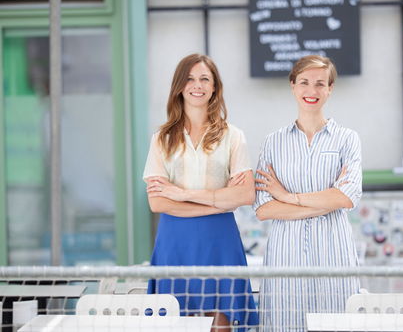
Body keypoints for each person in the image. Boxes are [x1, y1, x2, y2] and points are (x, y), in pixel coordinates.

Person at [143, 53, 258, 332]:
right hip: (176, 241)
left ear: (215, 86)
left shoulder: (233, 136)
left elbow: (245, 196)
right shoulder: (162, 138)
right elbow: (157, 202)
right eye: (190, 79)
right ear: (180, 86)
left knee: (222, 323)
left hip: (219, 241)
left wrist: (181, 195)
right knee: (178, 323)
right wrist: (219, 202)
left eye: (205, 78)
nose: (198, 85)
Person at [253, 55, 362, 331]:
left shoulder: (347, 139)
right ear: (292, 86)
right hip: (284, 258)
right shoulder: (273, 142)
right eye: (304, 82)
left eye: (319, 84)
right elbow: (264, 209)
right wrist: (327, 199)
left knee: (337, 324)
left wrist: (289, 197)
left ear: (330, 89)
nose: (311, 91)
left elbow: (346, 197)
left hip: (334, 256)